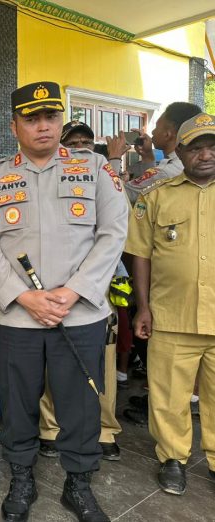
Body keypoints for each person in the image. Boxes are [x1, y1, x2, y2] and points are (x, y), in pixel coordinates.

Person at [0, 81, 128, 522]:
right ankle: (21, 478)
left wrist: (73, 291)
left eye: (51, 117)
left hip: (80, 314)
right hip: (16, 317)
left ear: (61, 120)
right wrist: (24, 295)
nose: (43, 127)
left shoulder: (95, 169)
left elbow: (113, 235)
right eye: (32, 118)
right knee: (17, 403)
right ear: (15, 125)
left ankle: (78, 484)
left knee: (79, 403)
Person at [123, 112, 215, 496]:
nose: (206, 155)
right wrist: (142, 307)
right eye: (197, 148)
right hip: (171, 315)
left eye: (212, 147)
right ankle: (173, 459)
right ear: (180, 151)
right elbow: (140, 254)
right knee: (168, 395)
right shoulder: (155, 196)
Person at [36, 121, 124, 463]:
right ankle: (51, 428)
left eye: (88, 142)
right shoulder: (47, 182)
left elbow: (116, 231)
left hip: (95, 294)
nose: (81, 148)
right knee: (51, 367)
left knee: (100, 367)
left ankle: (103, 428)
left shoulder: (102, 178)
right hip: (50, 296)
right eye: (74, 143)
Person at [121, 102, 201, 203]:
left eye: (156, 127)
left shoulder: (164, 172)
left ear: (167, 135)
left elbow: (118, 195)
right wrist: (148, 158)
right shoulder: (191, 164)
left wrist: (114, 157)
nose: (153, 132)